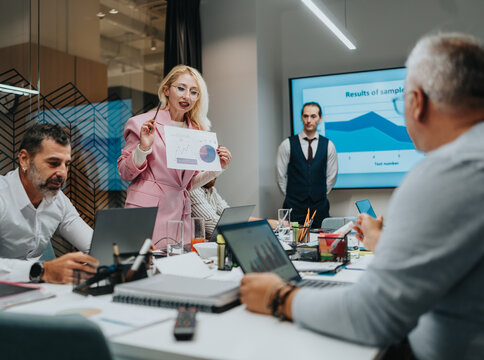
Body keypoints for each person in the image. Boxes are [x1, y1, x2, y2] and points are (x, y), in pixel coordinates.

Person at [240, 32, 484, 360]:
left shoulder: (449, 170)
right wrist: (383, 243)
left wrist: (279, 296)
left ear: (417, 102)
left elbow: (372, 316)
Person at [0, 123, 98, 286]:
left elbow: (95, 246)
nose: (63, 173)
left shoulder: (58, 200)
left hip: (30, 292)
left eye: (66, 164)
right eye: (53, 163)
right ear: (24, 160)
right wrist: (44, 270)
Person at [118, 65, 231, 249]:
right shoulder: (141, 124)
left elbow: (188, 184)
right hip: (148, 212)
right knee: (149, 271)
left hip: (180, 213)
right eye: (181, 88)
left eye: (194, 92)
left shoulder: (196, 131)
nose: (187, 96)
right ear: (166, 90)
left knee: (178, 268)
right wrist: (143, 148)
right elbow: (124, 172)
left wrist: (218, 167)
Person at [276, 102, 337, 227]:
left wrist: (318, 194)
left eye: (313, 116)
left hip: (319, 209)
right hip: (294, 208)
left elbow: (331, 176)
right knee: (292, 243)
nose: (309, 120)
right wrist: (293, 196)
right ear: (301, 118)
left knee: (320, 243)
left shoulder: (328, 145)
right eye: (305, 116)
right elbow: (280, 176)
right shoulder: (287, 144)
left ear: (320, 118)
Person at [190, 178, 277, 239]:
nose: (215, 174)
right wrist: (264, 226)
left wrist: (267, 223)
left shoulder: (211, 189)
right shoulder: (193, 189)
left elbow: (231, 216)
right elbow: (214, 225)